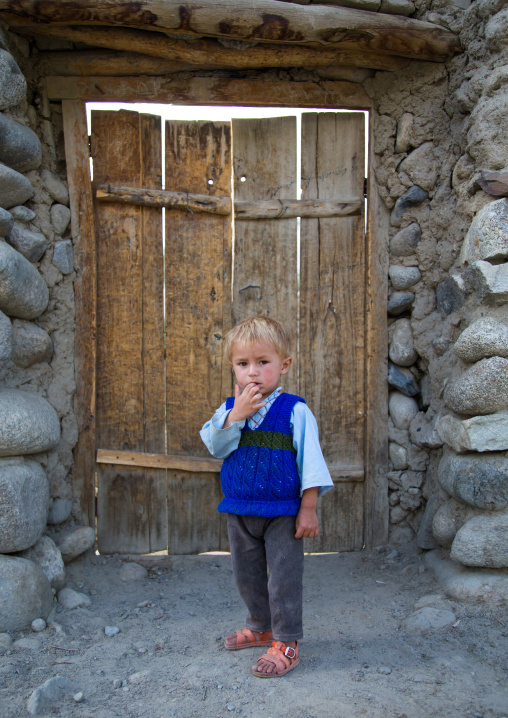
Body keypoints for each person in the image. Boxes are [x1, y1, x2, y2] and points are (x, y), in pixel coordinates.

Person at [200, 315, 333, 678]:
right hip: (240, 510)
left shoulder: (295, 411)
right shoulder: (229, 410)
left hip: (282, 513)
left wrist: (308, 509)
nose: (253, 373)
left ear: (284, 365)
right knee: (248, 575)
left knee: (284, 578)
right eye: (243, 364)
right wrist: (234, 417)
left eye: (263, 362)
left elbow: (312, 464)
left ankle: (287, 640)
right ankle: (260, 626)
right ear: (233, 368)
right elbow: (215, 446)